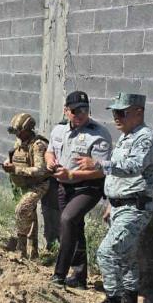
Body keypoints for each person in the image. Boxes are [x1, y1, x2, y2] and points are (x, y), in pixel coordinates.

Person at [76, 93, 153, 303]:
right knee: (127, 255)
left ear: (138, 112)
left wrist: (99, 164)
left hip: (135, 207)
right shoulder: (126, 137)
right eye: (114, 112)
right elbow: (118, 178)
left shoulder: (146, 138)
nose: (116, 117)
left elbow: (133, 167)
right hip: (120, 206)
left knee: (106, 253)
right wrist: (109, 203)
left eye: (121, 112)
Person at [45, 91, 112, 288]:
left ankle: (59, 274)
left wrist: (72, 175)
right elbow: (50, 151)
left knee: (67, 219)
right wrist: (50, 162)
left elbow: (100, 172)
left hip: (88, 187)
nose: (81, 114)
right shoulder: (58, 130)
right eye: (75, 110)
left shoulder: (99, 134)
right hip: (64, 185)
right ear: (66, 111)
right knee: (75, 226)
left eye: (85, 110)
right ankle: (80, 276)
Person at [1, 112, 50, 258]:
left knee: (21, 210)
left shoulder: (38, 145)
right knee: (29, 215)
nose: (16, 135)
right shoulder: (20, 142)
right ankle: (32, 253)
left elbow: (40, 170)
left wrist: (16, 170)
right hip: (22, 184)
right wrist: (7, 163)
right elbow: (15, 156)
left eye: (19, 131)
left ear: (28, 129)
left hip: (38, 185)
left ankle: (20, 248)